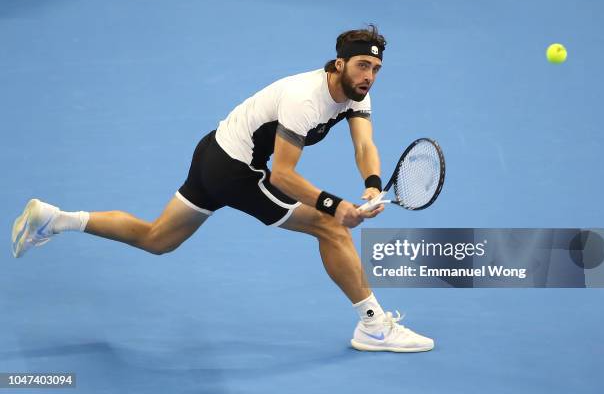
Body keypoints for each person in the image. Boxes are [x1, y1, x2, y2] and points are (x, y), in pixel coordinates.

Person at [12, 25, 434, 352]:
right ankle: (374, 326)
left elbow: (364, 143)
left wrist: (373, 186)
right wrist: (334, 204)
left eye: (376, 69)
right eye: (363, 65)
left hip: (213, 152)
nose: (370, 76)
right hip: (236, 169)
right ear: (339, 64)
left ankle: (55, 219)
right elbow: (283, 177)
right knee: (331, 227)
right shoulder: (306, 100)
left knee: (158, 238)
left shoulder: (356, 93)